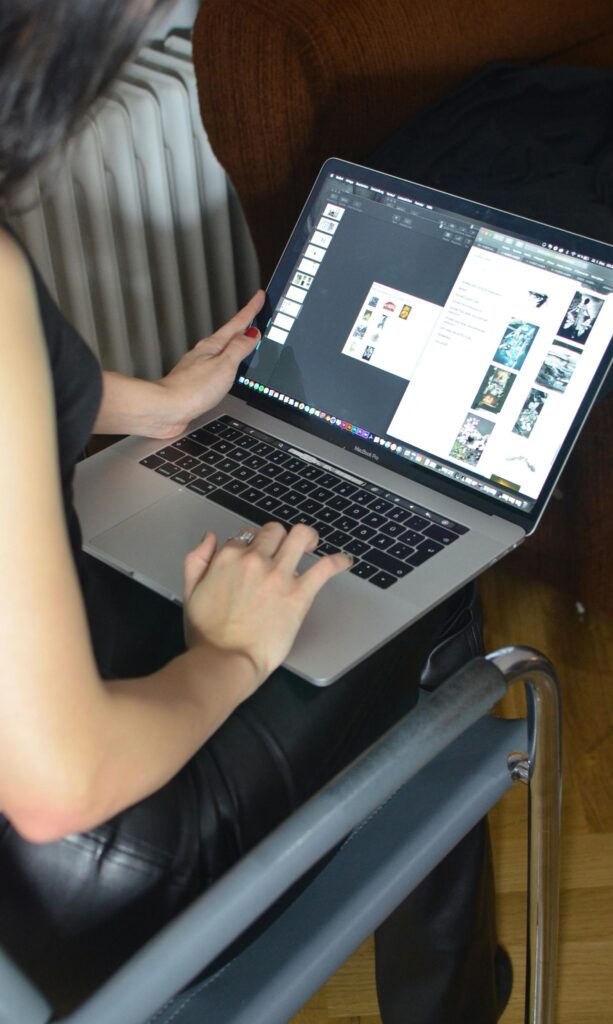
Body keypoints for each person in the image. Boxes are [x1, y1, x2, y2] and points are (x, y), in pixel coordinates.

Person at [0, 2, 508, 1020]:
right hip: (76, 878)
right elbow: (59, 787)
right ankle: (454, 1007)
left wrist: (153, 401)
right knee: (428, 601)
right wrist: (227, 657)